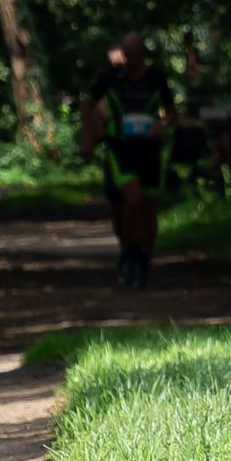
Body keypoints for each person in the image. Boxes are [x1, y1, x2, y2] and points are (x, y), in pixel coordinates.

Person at [80, 31, 175, 287]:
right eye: (127, 54)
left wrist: (162, 126)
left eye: (135, 55)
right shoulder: (111, 77)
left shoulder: (156, 78)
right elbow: (87, 103)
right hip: (121, 150)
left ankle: (143, 258)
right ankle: (129, 252)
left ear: (142, 54)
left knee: (149, 209)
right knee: (131, 201)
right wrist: (87, 138)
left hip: (150, 152)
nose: (130, 59)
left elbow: (171, 113)